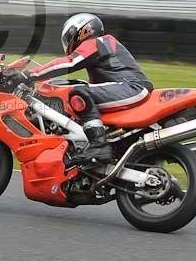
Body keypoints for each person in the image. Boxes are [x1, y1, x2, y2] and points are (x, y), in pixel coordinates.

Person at [15, 13, 153, 163]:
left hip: (130, 87)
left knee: (79, 93)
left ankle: (99, 146)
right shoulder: (103, 48)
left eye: (68, 37)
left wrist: (29, 74)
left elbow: (70, 63)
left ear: (81, 31)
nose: (68, 43)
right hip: (127, 88)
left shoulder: (98, 42)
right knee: (80, 93)